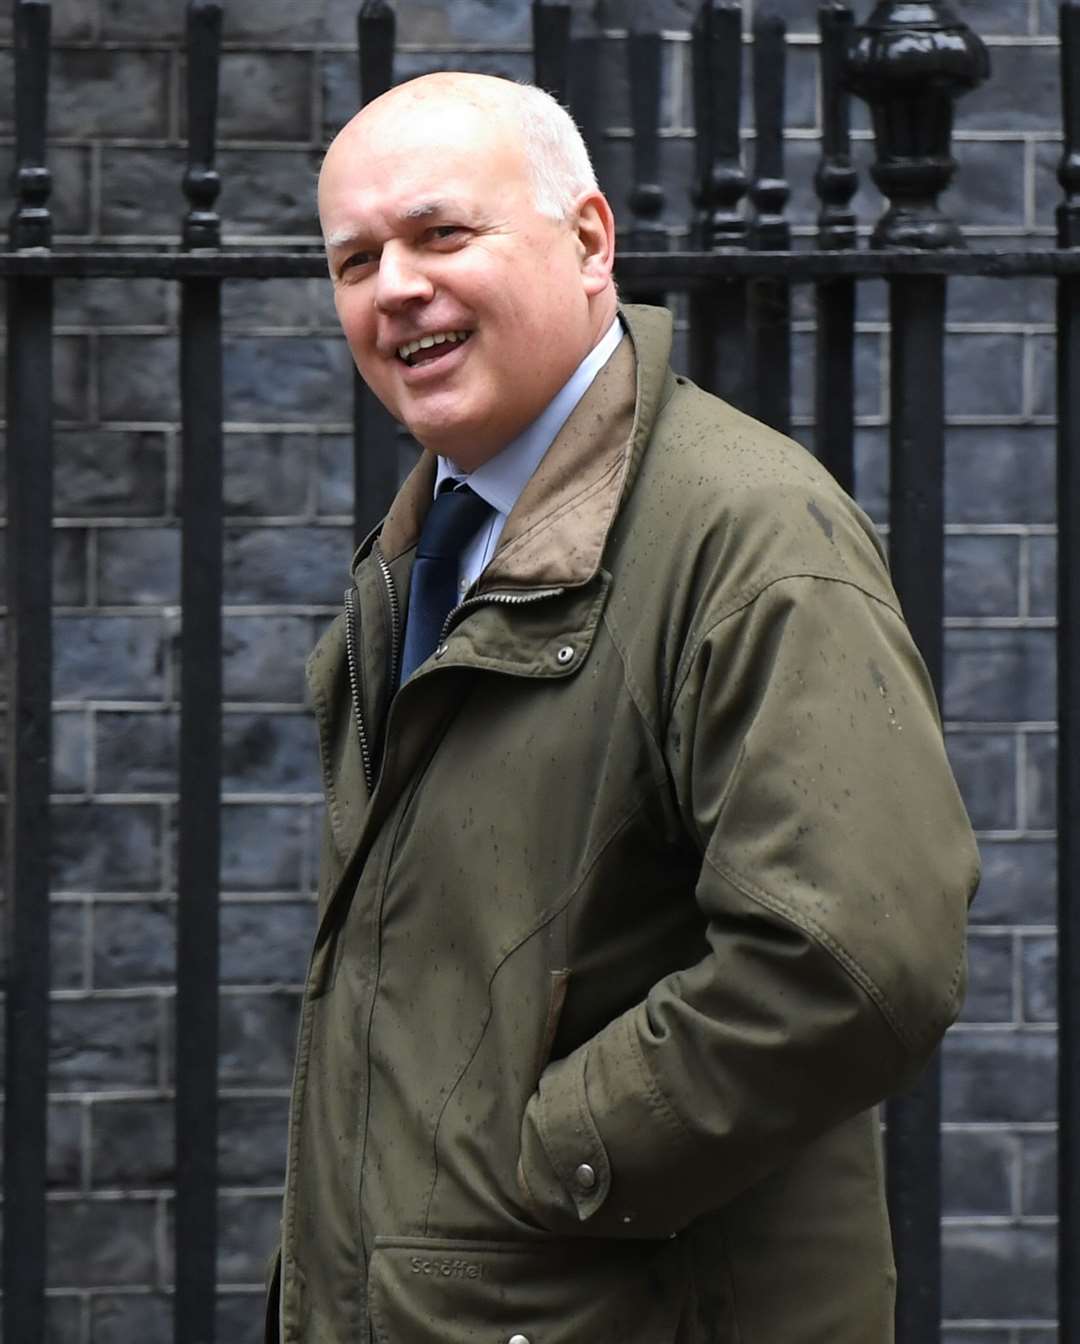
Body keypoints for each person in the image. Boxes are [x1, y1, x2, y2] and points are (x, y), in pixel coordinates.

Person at [268, 71, 979, 1344]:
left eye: (441, 234)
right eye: (355, 260)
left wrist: (542, 1161)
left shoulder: (746, 531)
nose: (393, 289)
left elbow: (853, 960)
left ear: (589, 240)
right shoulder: (428, 549)